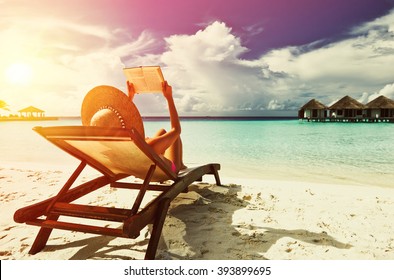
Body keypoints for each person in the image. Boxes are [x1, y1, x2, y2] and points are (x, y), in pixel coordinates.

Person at [127, 80, 186, 174]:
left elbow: (125, 122)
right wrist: (169, 98)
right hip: (170, 169)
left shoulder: (125, 144)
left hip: (145, 165)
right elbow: (176, 130)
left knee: (162, 131)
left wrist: (129, 98)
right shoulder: (148, 146)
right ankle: (180, 164)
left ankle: (172, 160)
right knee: (175, 136)